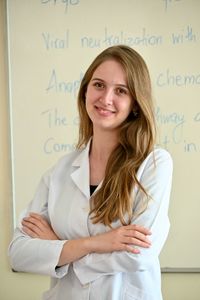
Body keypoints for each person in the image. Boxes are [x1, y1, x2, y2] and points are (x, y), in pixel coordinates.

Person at [8, 45, 173, 300]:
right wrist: (96, 243)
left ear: (135, 104)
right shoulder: (59, 172)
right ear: (85, 91)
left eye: (121, 91)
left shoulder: (154, 164)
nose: (106, 98)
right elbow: (18, 253)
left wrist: (58, 249)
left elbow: (138, 254)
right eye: (98, 85)